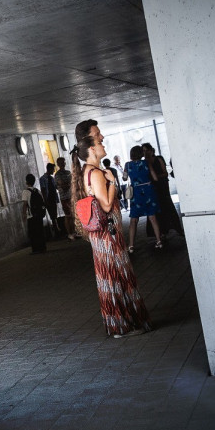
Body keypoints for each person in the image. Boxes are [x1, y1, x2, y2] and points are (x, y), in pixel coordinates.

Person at [71, 119, 152, 338]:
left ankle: (120, 323)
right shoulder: (96, 173)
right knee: (117, 276)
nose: (103, 139)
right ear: (91, 147)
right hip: (109, 235)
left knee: (110, 278)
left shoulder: (87, 171)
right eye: (98, 138)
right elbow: (106, 205)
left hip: (102, 236)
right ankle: (123, 326)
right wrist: (113, 182)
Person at [123, 144, 163, 253]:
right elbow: (155, 178)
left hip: (136, 193)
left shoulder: (127, 165)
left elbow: (124, 178)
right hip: (148, 191)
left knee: (134, 220)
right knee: (153, 218)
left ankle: (131, 246)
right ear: (141, 154)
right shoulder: (146, 163)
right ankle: (159, 241)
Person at [142, 142, 183, 239]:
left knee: (167, 205)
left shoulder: (158, 158)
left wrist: (155, 177)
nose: (145, 152)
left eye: (147, 150)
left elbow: (165, 173)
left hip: (162, 185)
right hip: (152, 187)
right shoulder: (144, 162)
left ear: (151, 150)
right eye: (143, 151)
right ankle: (161, 231)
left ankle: (177, 228)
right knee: (156, 209)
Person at [22, 174, 47, 254]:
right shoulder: (38, 191)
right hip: (39, 214)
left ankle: (36, 249)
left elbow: (25, 204)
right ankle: (43, 248)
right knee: (40, 231)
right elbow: (42, 202)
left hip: (31, 215)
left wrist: (24, 214)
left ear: (26, 182)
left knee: (33, 233)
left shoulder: (25, 192)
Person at [54, 156, 76, 240]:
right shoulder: (57, 174)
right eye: (60, 162)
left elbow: (72, 183)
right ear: (58, 164)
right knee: (67, 215)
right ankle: (69, 233)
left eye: (63, 162)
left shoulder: (68, 172)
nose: (62, 164)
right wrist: (69, 184)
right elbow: (63, 186)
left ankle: (74, 231)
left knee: (73, 214)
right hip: (64, 198)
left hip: (71, 196)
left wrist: (68, 184)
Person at [39, 163, 61, 238]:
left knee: (54, 215)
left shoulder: (52, 178)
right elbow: (43, 190)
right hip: (48, 199)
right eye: (53, 169)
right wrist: (45, 201)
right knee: (52, 215)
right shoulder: (42, 179)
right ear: (49, 169)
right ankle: (56, 231)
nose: (54, 171)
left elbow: (56, 187)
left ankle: (57, 231)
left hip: (53, 198)